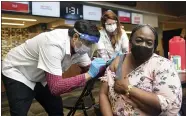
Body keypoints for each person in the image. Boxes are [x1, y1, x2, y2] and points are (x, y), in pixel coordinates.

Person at [2, 20, 107, 116]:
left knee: (56, 109)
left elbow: (89, 69)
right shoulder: (53, 43)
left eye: (91, 44)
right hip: (18, 70)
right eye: (88, 43)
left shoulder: (79, 47)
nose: (88, 48)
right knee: (19, 112)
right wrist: (89, 75)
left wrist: (106, 66)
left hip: (41, 75)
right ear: (75, 37)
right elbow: (56, 88)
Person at [99, 24, 182, 116]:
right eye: (139, 40)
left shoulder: (163, 65)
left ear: (154, 46)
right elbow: (103, 94)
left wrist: (128, 88)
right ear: (130, 43)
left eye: (149, 43)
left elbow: (168, 105)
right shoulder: (119, 61)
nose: (143, 45)